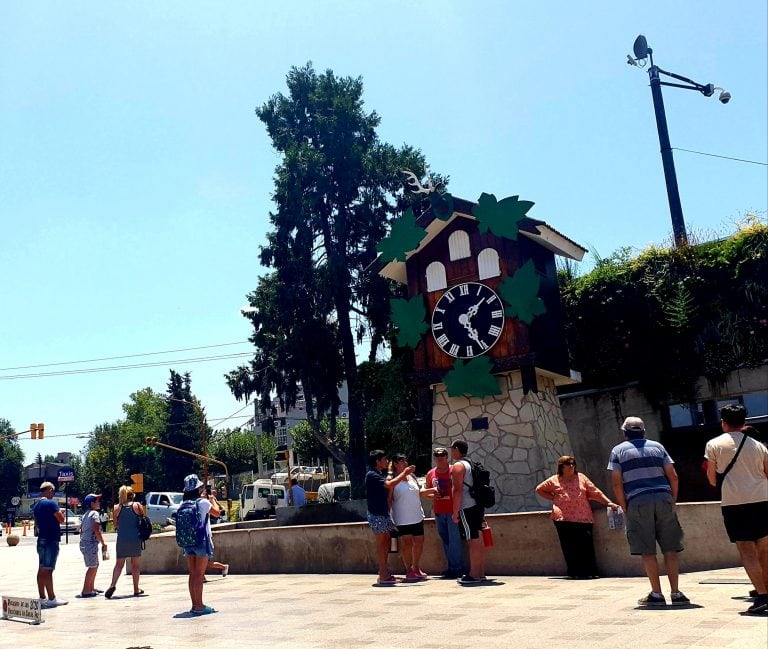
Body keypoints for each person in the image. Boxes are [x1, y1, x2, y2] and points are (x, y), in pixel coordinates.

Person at [607, 416, 689, 606]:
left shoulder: (618, 451)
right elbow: (673, 476)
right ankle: (676, 593)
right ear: (643, 431)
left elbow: (616, 482)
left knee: (647, 550)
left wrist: (625, 505)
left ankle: (657, 594)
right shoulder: (658, 447)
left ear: (625, 432)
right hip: (663, 498)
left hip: (637, 500)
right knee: (671, 548)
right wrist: (672, 499)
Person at [705, 404, 768, 615]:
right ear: (744, 422)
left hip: (735, 503)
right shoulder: (759, 446)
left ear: (723, 422)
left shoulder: (713, 445)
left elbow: (712, 479)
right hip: (762, 499)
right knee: (764, 548)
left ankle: (762, 596)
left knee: (746, 549)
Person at [536, 455, 619, 579]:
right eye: (568, 464)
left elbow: (595, 492)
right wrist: (554, 498)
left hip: (583, 516)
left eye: (573, 464)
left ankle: (590, 571)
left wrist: (608, 502)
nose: (571, 466)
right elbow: (539, 489)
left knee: (586, 545)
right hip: (563, 518)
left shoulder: (581, 478)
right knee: (569, 547)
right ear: (561, 466)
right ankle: (575, 572)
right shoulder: (554, 480)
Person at [365, 449, 415, 585]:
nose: (387, 462)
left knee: (385, 542)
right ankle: (383, 574)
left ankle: (384, 572)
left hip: (382, 513)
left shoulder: (378, 474)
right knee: (382, 543)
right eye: (384, 460)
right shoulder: (371, 475)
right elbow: (389, 484)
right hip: (377, 514)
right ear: (378, 461)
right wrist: (404, 473)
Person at [389, 454, 436, 581]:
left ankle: (416, 568)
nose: (405, 463)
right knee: (407, 543)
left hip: (417, 515)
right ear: (395, 464)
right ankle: (409, 569)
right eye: (401, 461)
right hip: (402, 517)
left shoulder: (412, 477)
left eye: (405, 460)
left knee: (419, 542)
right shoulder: (392, 479)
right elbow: (389, 498)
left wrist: (432, 491)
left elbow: (418, 492)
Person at [181, 473, 220, 615]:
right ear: (197, 489)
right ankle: (200, 606)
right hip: (201, 541)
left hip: (187, 541)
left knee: (192, 574)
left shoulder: (183, 504)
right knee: (199, 574)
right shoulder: (203, 503)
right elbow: (217, 513)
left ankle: (194, 604)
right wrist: (212, 499)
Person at [450, 439, 487, 586]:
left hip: (466, 507)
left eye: (452, 449)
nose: (451, 452)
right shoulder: (471, 463)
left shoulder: (458, 466)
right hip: (477, 505)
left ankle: (474, 574)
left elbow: (457, 489)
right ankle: (480, 572)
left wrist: (455, 511)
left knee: (472, 540)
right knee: (477, 539)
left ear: (457, 449)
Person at [425, 447, 463, 578]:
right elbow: (427, 492)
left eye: (442, 456)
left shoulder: (454, 470)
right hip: (439, 512)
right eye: (437, 456)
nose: (440, 458)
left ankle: (456, 568)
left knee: (454, 540)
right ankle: (451, 566)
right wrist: (433, 496)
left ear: (447, 457)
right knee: (445, 540)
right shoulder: (431, 474)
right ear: (434, 458)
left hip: (453, 510)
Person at [105, 485, 145, 599]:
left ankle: (112, 585)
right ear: (131, 495)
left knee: (119, 565)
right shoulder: (137, 506)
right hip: (135, 538)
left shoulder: (116, 508)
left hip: (122, 538)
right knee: (135, 565)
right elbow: (142, 520)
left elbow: (116, 525)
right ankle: (136, 589)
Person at [33, 481, 67, 608]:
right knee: (48, 570)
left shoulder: (36, 506)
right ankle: (52, 598)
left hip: (41, 539)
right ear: (49, 490)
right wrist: (61, 513)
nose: (53, 493)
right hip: (51, 539)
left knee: (41, 568)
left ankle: (42, 597)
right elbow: (61, 519)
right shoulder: (51, 503)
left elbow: (36, 524)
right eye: (53, 490)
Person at [79, 493, 108, 597]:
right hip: (90, 543)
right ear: (92, 503)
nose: (99, 502)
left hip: (84, 543)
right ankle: (86, 590)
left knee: (95, 565)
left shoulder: (86, 514)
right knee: (92, 567)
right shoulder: (94, 514)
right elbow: (96, 530)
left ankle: (91, 587)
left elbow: (81, 530)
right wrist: (103, 543)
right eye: (97, 501)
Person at [205, 487, 229, 579]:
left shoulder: (209, 502)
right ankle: (223, 567)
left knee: (206, 562)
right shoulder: (202, 502)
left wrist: (213, 501)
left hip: (206, 535)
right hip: (203, 535)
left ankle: (223, 567)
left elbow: (218, 512)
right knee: (203, 561)